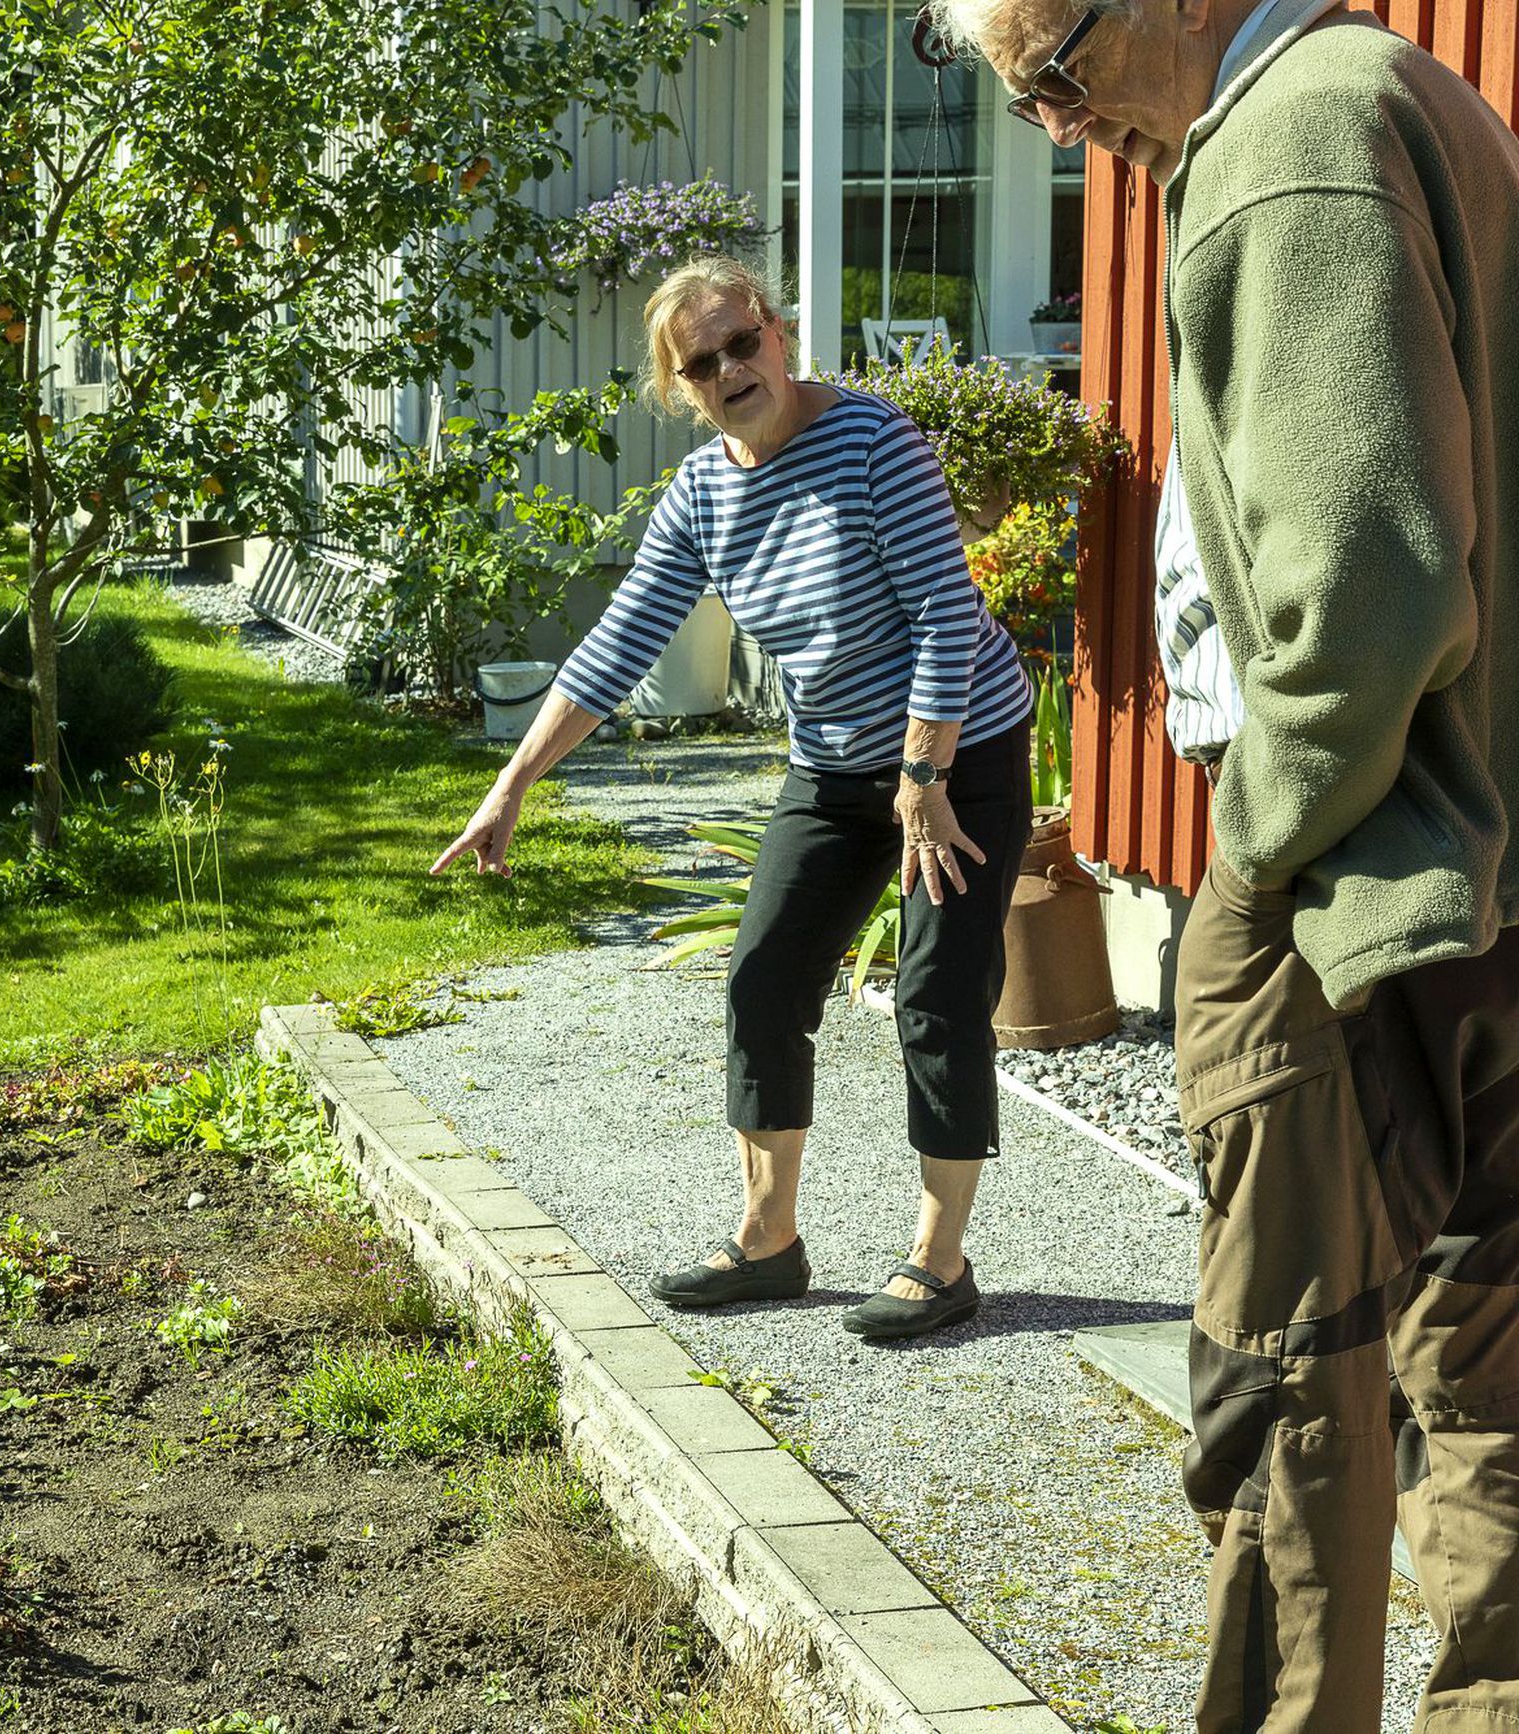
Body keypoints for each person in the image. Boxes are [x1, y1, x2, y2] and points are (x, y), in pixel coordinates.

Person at [938, 0, 1519, 1722]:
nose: (1054, 123)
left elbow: (1371, 587)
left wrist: (1255, 843)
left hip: (1347, 867)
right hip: (1468, 853)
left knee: (1286, 1385)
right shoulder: (1417, 94)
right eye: (1021, 93)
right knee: (1482, 1368)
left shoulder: (1287, 147)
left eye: (1055, 64)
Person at [431, 254, 1035, 1342]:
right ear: (681, 389)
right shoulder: (703, 492)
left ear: (779, 330)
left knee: (937, 998)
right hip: (834, 762)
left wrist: (923, 782)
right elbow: (619, 644)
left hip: (958, 756)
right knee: (763, 978)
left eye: (737, 341)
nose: (726, 369)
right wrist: (510, 785)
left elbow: (947, 621)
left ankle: (939, 1264)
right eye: (698, 363)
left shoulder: (871, 443)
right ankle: (769, 1244)